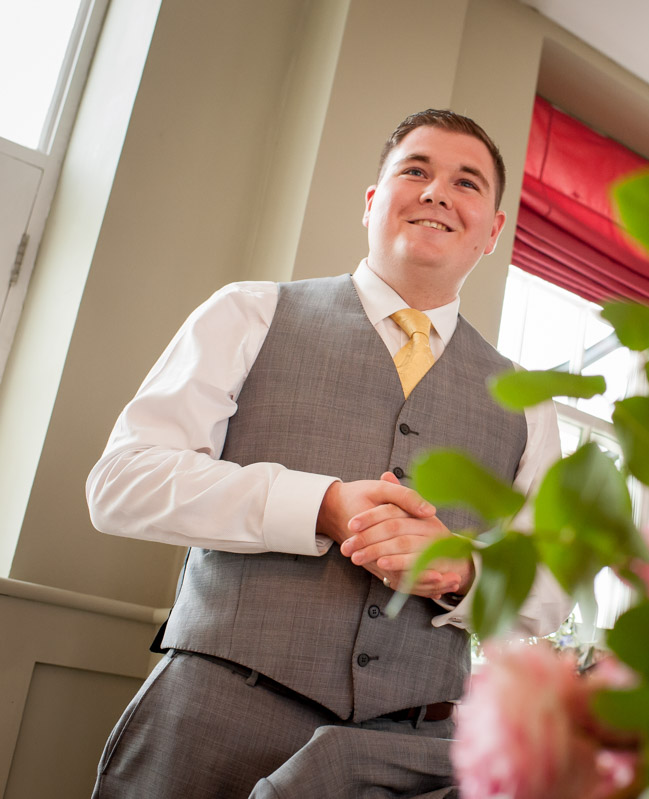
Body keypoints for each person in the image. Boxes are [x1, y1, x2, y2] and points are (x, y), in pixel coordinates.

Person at [86, 109, 573, 798]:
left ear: (492, 231)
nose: (437, 191)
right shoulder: (249, 313)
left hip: (401, 759)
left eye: (467, 182)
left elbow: (549, 593)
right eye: (415, 170)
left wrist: (464, 569)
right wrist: (320, 505)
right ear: (373, 203)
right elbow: (121, 482)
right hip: (207, 726)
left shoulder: (530, 406)